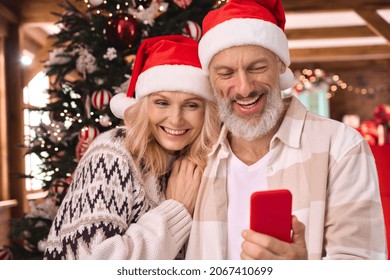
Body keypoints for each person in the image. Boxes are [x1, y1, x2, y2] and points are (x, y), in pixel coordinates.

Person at [185, 0, 388, 260]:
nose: (245, 88)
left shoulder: (341, 147)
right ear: (210, 80)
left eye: (257, 67)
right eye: (226, 73)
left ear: (280, 65)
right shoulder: (197, 155)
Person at [43, 35, 220, 259]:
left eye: (191, 105)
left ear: (207, 112)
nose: (176, 119)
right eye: (162, 102)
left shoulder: (199, 162)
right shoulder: (112, 153)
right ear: (144, 106)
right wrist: (177, 209)